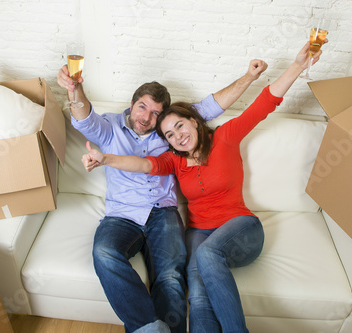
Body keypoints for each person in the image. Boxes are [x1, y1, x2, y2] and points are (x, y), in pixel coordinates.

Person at [81, 42, 323, 333]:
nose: (178, 136)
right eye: (170, 135)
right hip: (199, 230)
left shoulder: (225, 138)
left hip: (240, 226)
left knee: (207, 255)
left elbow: (265, 103)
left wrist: (297, 65)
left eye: (180, 126)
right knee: (197, 295)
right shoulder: (172, 161)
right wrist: (105, 158)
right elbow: (144, 164)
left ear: (195, 122)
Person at [57, 56, 268, 332]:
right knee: (104, 252)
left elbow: (214, 104)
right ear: (131, 105)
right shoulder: (108, 128)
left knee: (169, 277)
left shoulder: (169, 131)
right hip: (122, 214)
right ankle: (149, 328)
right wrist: (75, 90)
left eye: (156, 113)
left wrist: (249, 77)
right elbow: (83, 118)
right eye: (143, 107)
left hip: (163, 214)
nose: (147, 117)